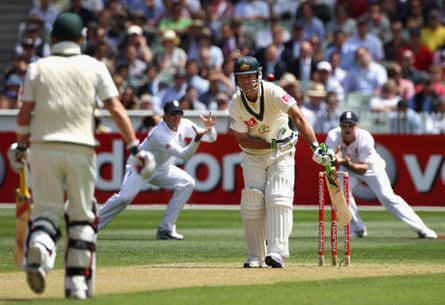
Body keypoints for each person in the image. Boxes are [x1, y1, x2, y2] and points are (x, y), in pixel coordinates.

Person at [6, 12, 154, 299]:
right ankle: (75, 284)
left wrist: (22, 146)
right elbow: (115, 107)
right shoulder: (94, 66)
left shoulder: (38, 68)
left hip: (43, 147)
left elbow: (24, 115)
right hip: (81, 149)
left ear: (53, 39)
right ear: (82, 39)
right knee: (81, 218)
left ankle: (41, 246)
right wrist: (135, 145)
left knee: (45, 214)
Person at [228, 56, 334, 268]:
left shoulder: (273, 92)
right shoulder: (235, 103)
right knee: (252, 201)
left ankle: (276, 253)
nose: (246, 82)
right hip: (253, 155)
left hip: (283, 154)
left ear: (258, 76)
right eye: (242, 78)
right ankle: (255, 256)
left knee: (278, 196)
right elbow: (242, 138)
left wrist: (315, 146)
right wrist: (271, 145)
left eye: (250, 77)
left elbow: (299, 117)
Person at [98, 100, 217, 239]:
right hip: (141, 167)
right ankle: (92, 226)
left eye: (179, 114)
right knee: (125, 197)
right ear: (164, 116)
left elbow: (212, 138)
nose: (176, 118)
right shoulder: (159, 134)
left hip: (162, 168)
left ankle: (166, 229)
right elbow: (184, 155)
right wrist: (196, 138)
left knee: (187, 183)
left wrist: (209, 129)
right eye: (172, 114)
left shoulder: (184, 124)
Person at [325, 111, 437, 239]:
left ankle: (422, 229)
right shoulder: (333, 136)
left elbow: (363, 168)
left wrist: (345, 162)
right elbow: (329, 161)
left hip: (371, 168)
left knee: (387, 197)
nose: (347, 128)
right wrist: (335, 160)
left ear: (356, 126)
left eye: (350, 125)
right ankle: (357, 228)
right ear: (340, 126)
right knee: (338, 192)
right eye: (344, 125)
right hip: (348, 167)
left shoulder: (365, 137)